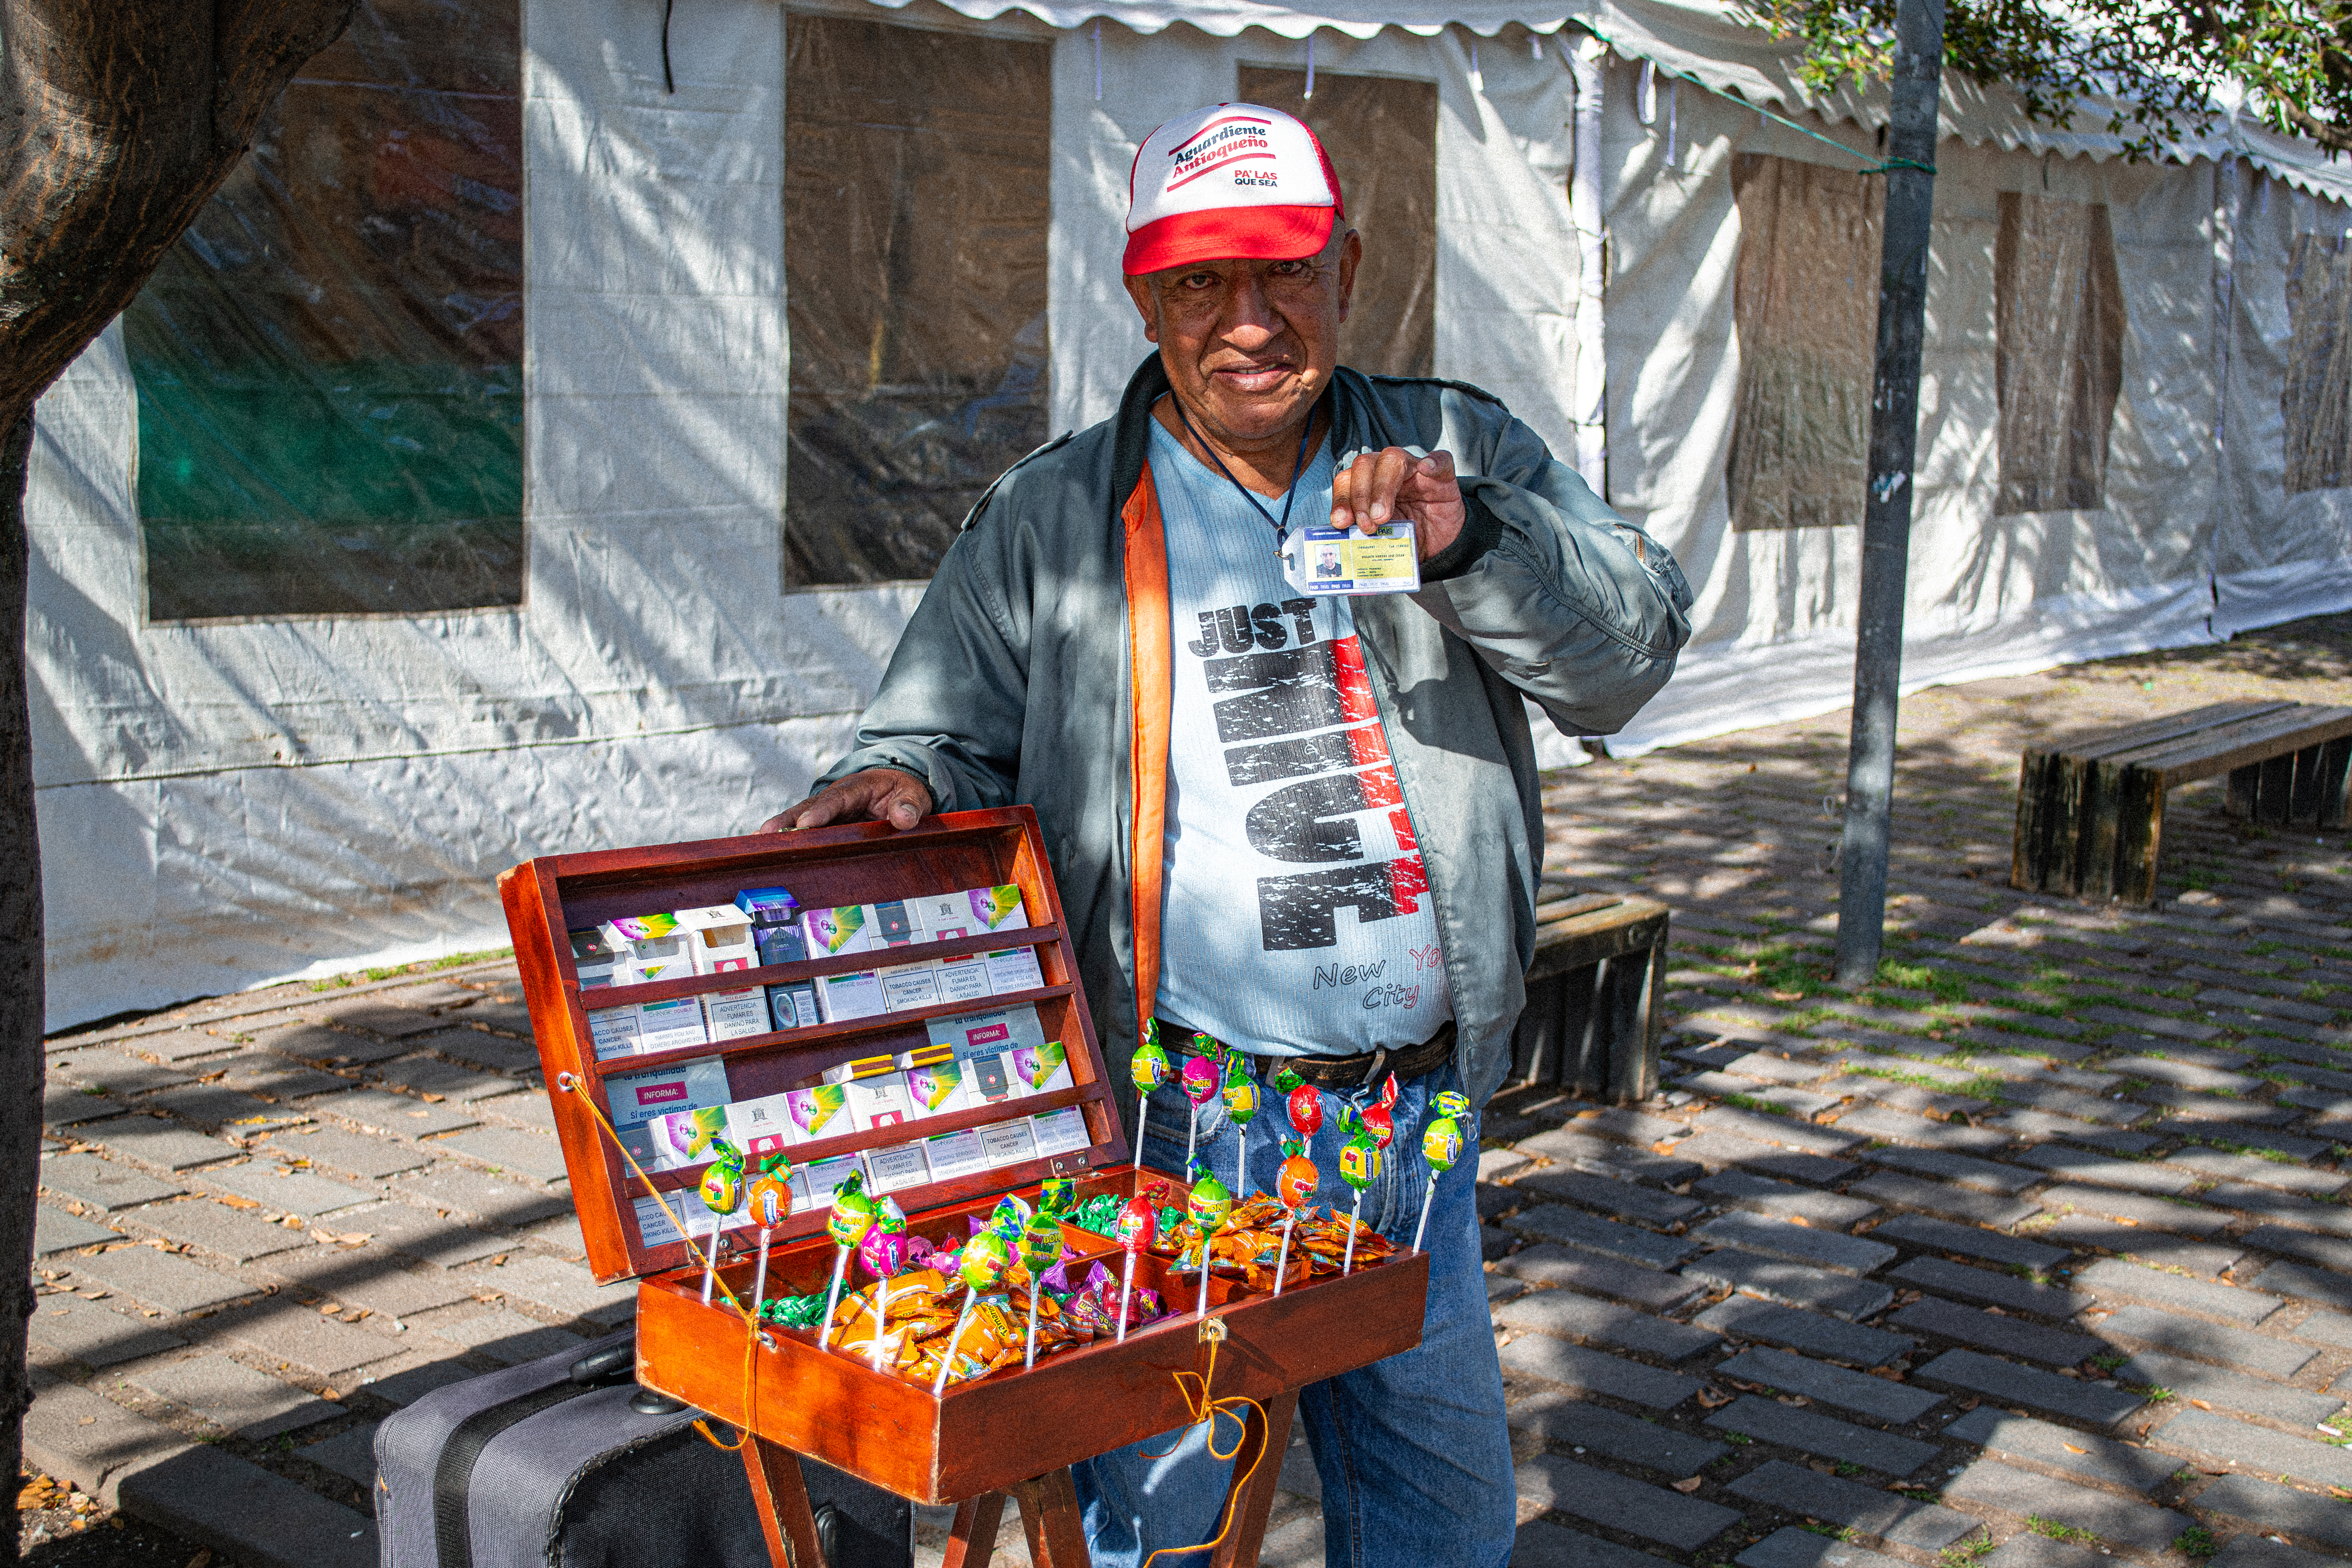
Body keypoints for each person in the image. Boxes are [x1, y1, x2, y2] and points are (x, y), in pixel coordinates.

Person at [763, 101, 1693, 1568]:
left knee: (1441, 1523)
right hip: (1179, 1122)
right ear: (1144, 295)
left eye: (1283, 274)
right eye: (1200, 283)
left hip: (1414, 1121)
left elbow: (1628, 654)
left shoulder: (1457, 448)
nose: (1247, 324)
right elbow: (930, 728)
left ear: (1348, 268)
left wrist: (1469, 548)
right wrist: (901, 782)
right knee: (1167, 1528)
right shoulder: (1057, 512)